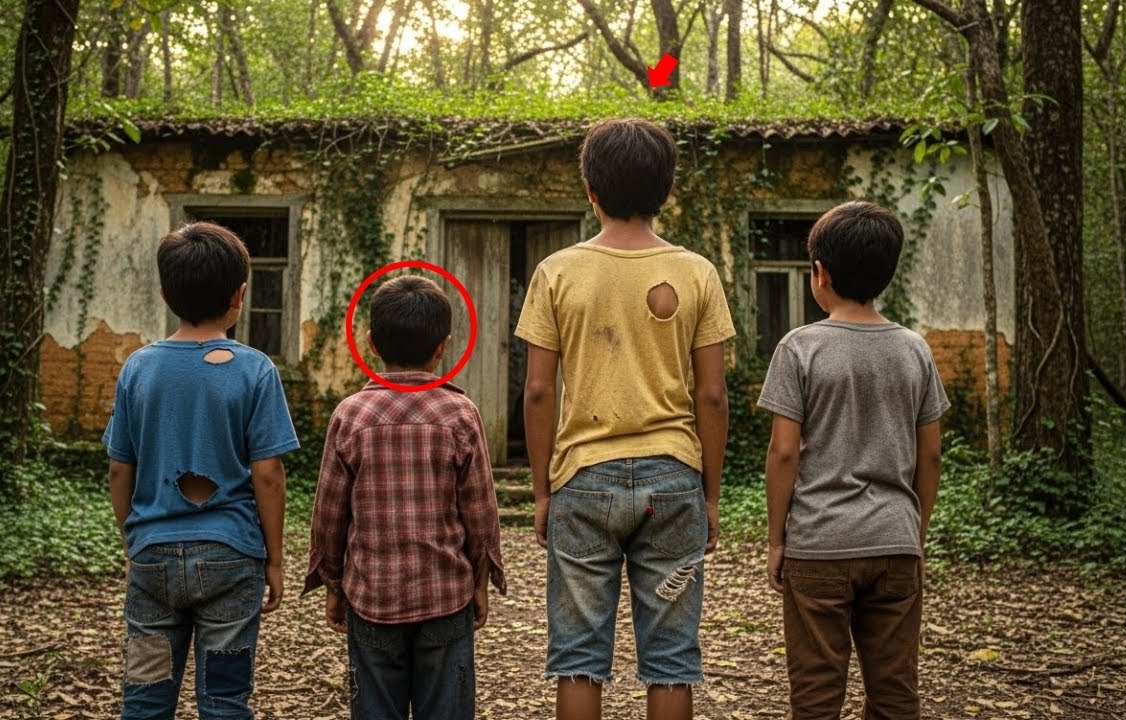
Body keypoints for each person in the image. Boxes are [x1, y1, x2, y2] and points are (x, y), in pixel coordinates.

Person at [515, 118, 733, 720]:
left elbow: (537, 391)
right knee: (670, 660)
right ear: (666, 191)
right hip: (674, 479)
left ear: (590, 189)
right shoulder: (697, 273)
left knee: (580, 656)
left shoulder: (558, 271)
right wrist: (710, 495)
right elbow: (712, 395)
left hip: (583, 480)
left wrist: (541, 490)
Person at [758, 201, 950, 720]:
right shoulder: (914, 350)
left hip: (819, 544)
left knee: (817, 696)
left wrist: (777, 539)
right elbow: (930, 453)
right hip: (894, 541)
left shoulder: (799, 348)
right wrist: (915, 531)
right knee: (894, 694)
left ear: (819, 274)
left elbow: (783, 452)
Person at [104, 221, 298, 719]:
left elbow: (119, 469)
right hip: (231, 560)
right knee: (225, 700)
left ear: (166, 293)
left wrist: (134, 541)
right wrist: (273, 559)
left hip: (152, 561)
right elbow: (269, 474)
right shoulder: (255, 369)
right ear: (240, 295)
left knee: (145, 698)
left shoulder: (138, 368)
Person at [303, 274, 506, 720]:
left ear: (372, 343)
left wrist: (333, 584)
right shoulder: (460, 413)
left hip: (372, 597)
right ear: (443, 347)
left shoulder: (350, 415)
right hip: (444, 597)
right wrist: (480, 581)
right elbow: (481, 511)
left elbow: (329, 514)